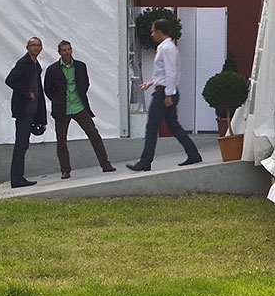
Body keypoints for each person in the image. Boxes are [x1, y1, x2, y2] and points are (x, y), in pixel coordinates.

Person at [129, 18, 202, 171]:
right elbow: (166, 73)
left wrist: (168, 94)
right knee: (173, 125)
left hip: (164, 93)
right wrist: (152, 82)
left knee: (152, 126)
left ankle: (145, 161)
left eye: (153, 31)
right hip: (166, 90)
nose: (152, 34)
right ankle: (193, 153)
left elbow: (171, 72)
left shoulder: (167, 49)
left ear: (159, 32)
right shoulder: (168, 47)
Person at [44, 39, 116, 178]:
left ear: (71, 50)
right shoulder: (53, 69)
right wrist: (58, 100)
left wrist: (80, 94)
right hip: (62, 109)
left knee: (94, 134)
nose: (67, 52)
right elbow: (48, 89)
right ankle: (65, 170)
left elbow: (85, 83)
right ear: (59, 52)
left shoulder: (80, 66)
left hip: (79, 106)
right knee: (61, 141)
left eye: (68, 49)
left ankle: (105, 164)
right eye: (64, 50)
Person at [6, 36, 47, 188]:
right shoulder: (24, 63)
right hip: (24, 110)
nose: (36, 47)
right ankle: (17, 178)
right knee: (21, 145)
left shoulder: (35, 65)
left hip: (32, 110)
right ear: (27, 47)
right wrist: (26, 93)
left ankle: (18, 177)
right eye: (33, 45)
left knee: (23, 144)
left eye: (38, 45)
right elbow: (10, 80)